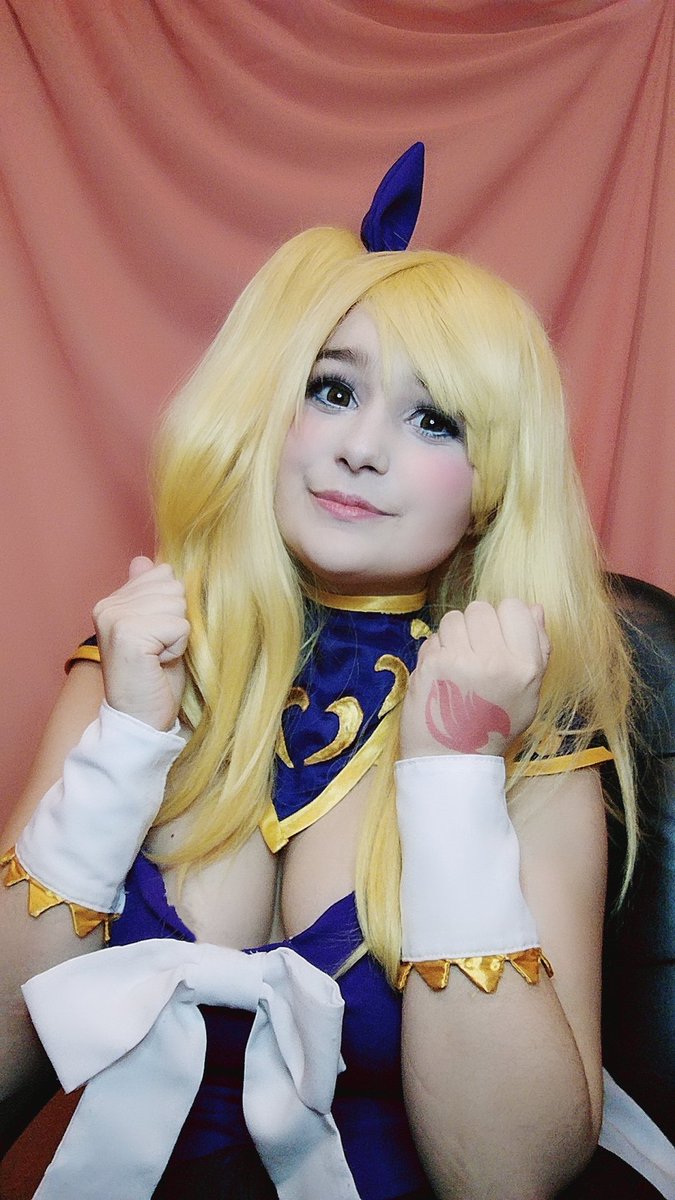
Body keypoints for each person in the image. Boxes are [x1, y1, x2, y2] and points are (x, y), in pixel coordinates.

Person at [1, 146, 672, 1200]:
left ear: (491, 489)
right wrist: (125, 745)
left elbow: (507, 1179)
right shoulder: (142, 665)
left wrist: (455, 776)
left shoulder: (534, 723)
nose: (361, 448)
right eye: (331, 388)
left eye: (434, 419)